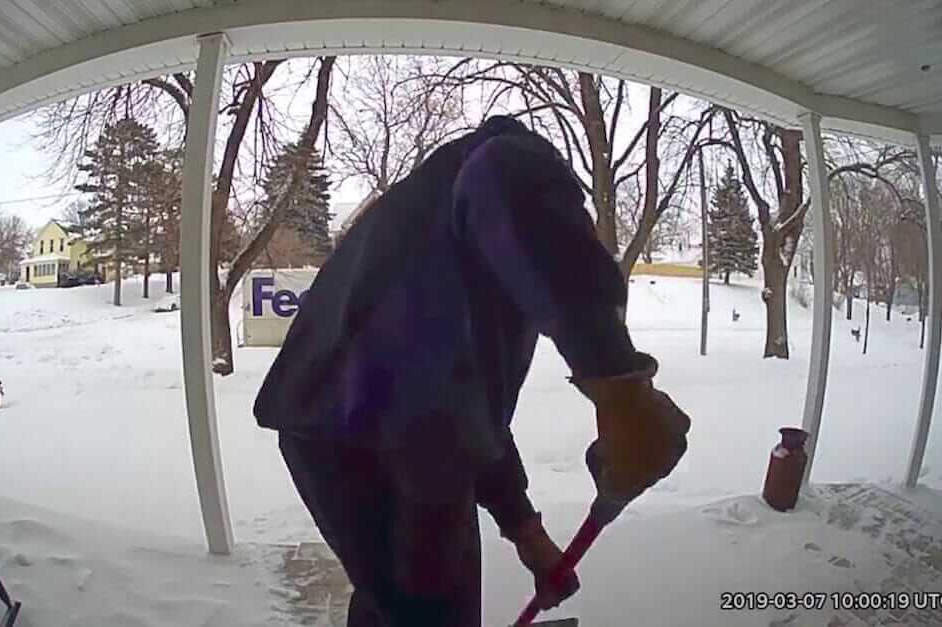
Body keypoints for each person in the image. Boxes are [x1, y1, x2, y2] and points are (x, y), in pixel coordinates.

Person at [255, 116, 690, 626]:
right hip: (381, 433)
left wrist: (527, 532)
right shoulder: (506, 160)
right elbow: (500, 178)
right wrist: (620, 390)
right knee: (432, 613)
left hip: (350, 432)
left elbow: (463, 403)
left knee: (396, 606)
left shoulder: (435, 245)